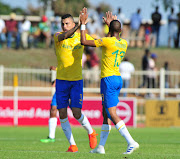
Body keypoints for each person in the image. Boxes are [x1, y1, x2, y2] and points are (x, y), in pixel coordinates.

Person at [80, 9, 139, 155]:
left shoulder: (107, 41)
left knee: (112, 114)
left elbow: (84, 41)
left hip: (108, 79)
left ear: (109, 29)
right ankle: (100, 147)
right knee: (105, 113)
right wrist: (111, 26)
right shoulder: (123, 43)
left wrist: (82, 25)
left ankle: (131, 142)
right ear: (121, 30)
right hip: (117, 78)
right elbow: (112, 37)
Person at [54, 10, 97, 152]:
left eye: (67, 23)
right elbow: (67, 34)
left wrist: (111, 29)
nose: (64, 26)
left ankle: (91, 132)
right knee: (62, 113)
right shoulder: (58, 36)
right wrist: (79, 25)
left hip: (76, 81)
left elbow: (97, 42)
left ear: (72, 23)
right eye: (62, 24)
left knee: (76, 112)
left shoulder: (81, 37)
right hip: (61, 81)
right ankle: (72, 145)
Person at [40, 66, 58, 143]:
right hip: (60, 90)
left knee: (76, 112)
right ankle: (51, 137)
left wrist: (56, 69)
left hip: (70, 89)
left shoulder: (74, 57)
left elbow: (68, 69)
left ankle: (90, 131)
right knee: (53, 109)